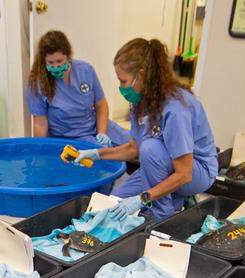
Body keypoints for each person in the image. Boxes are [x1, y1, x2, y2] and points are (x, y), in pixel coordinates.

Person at [72, 38, 217, 220]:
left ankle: (162, 216)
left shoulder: (175, 109)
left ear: (141, 76)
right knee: (113, 204)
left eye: (123, 81)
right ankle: (176, 198)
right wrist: (96, 154)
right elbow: (133, 148)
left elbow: (184, 173)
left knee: (150, 149)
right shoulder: (140, 102)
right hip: (163, 164)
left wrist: (143, 198)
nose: (121, 88)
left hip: (196, 171)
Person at [25, 30, 130, 147]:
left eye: (59, 61)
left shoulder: (85, 70)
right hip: (70, 137)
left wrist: (102, 133)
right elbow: (40, 123)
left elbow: (101, 105)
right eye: (50, 62)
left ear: (68, 56)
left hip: (95, 124)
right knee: (105, 155)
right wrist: (40, 151)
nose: (55, 66)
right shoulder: (38, 82)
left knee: (136, 144)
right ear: (43, 61)